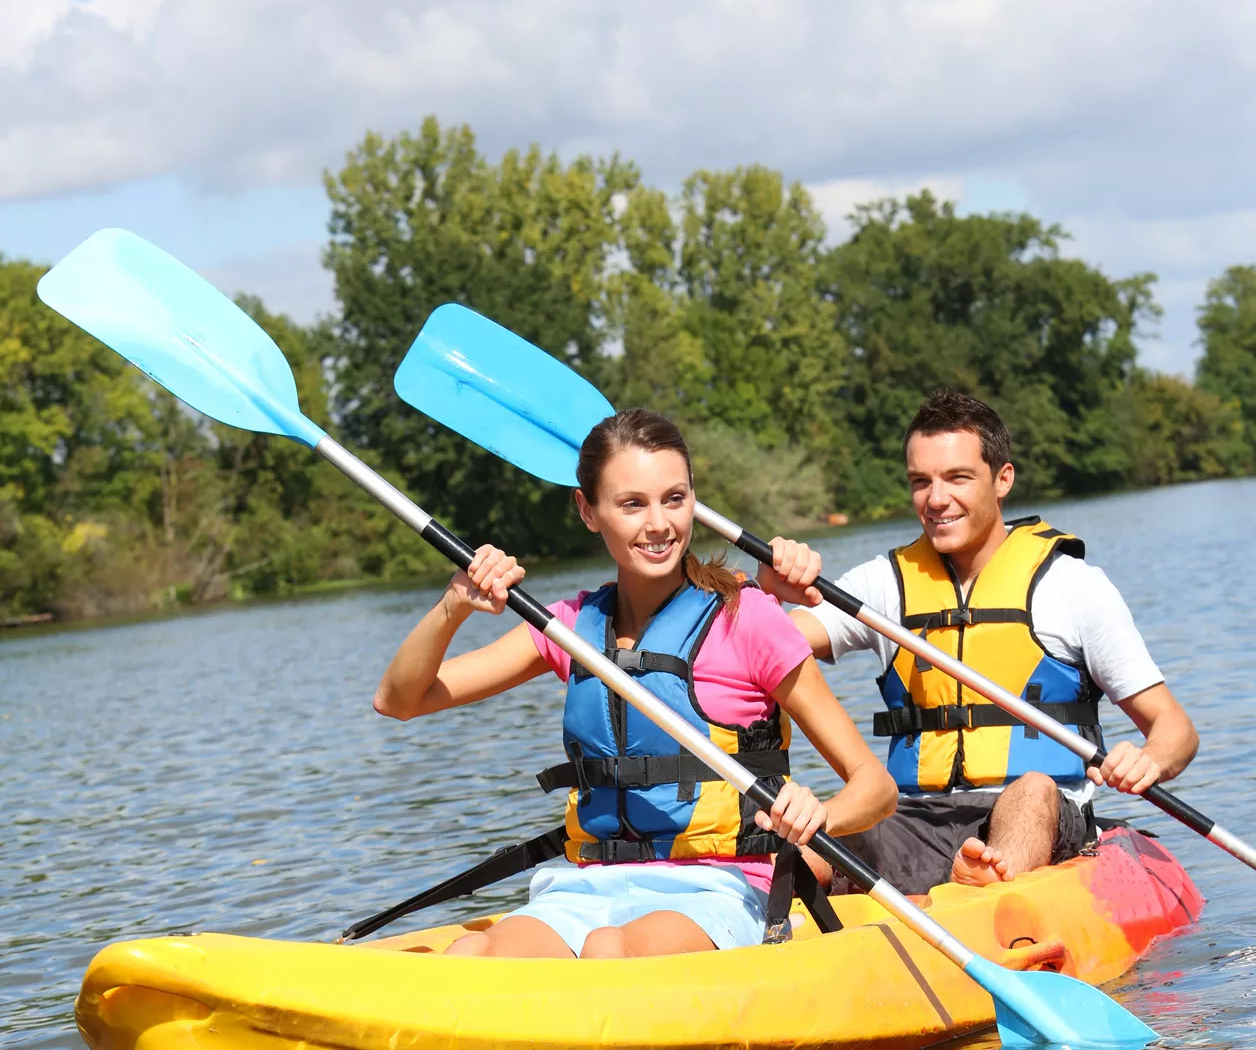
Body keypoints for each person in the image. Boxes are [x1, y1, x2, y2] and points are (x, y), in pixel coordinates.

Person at [373, 408, 897, 959]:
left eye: (674, 499)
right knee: (468, 957)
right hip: (585, 887)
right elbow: (400, 700)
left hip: (718, 888)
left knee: (608, 950)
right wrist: (454, 605)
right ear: (588, 511)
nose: (659, 524)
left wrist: (821, 815)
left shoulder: (748, 619)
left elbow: (876, 788)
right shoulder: (570, 627)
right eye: (632, 504)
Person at [759, 389, 1198, 896]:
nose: (936, 499)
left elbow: (1175, 729)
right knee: (807, 845)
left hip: (1039, 812)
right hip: (913, 819)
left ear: (1002, 479)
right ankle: (784, 927)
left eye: (957, 478)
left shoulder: (1071, 585)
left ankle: (987, 890)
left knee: (1031, 787)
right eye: (920, 482)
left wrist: (1149, 759)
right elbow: (769, 646)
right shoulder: (883, 584)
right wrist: (768, 589)